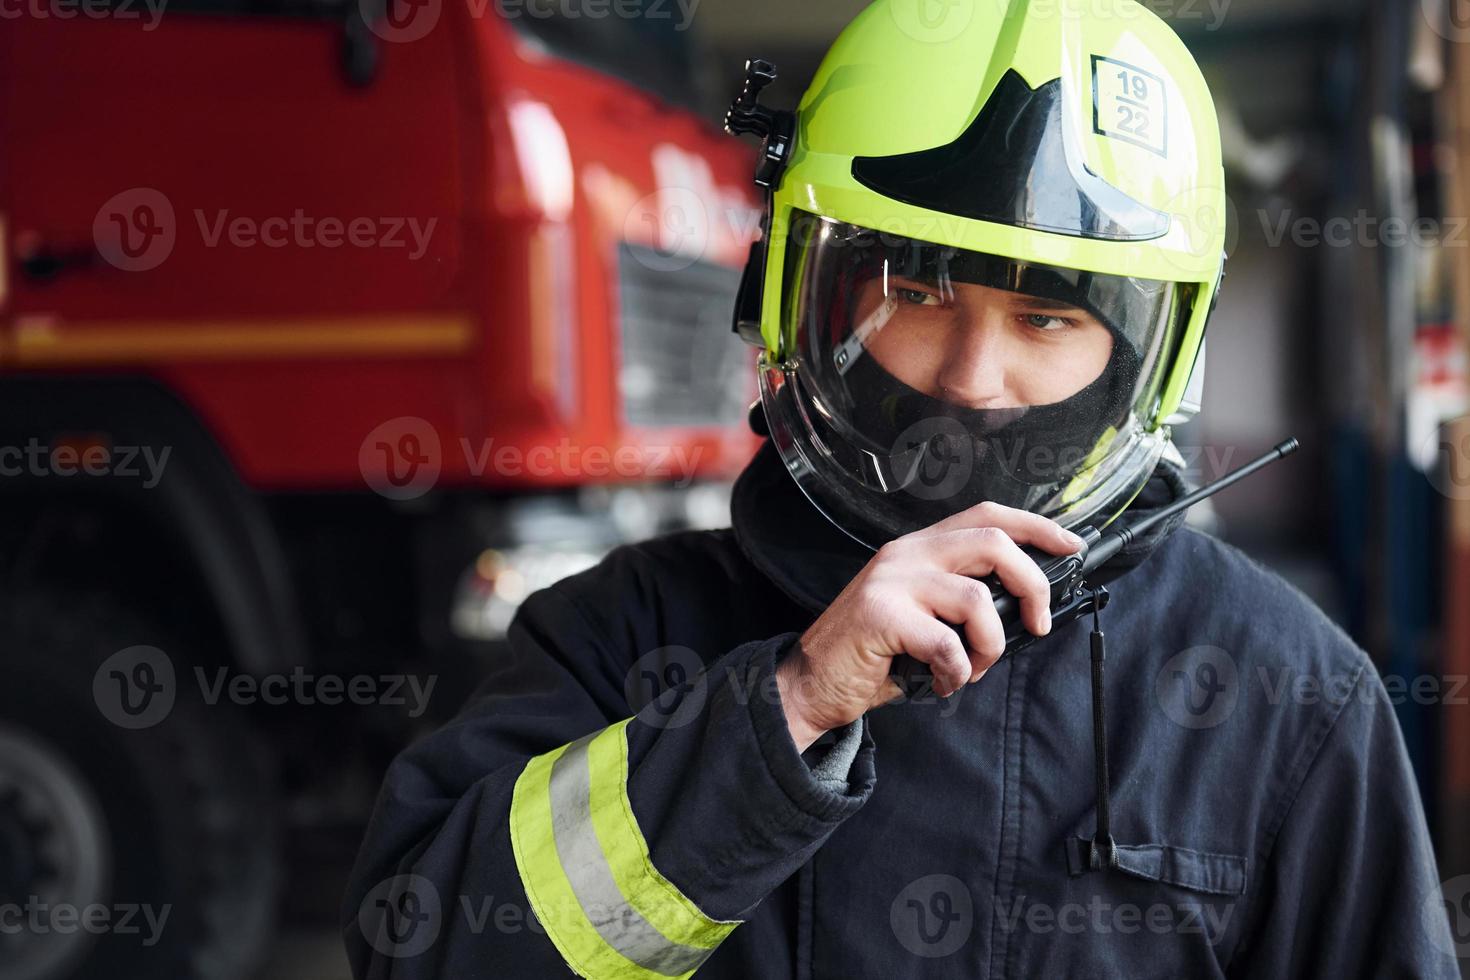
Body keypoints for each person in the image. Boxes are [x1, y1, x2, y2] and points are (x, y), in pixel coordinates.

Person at [343, 2, 1460, 976]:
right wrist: (787, 709)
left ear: (1151, 356)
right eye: (916, 289)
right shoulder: (625, 635)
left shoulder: (1286, 693)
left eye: (1047, 315)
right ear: (796, 286)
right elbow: (420, 945)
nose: (972, 379)